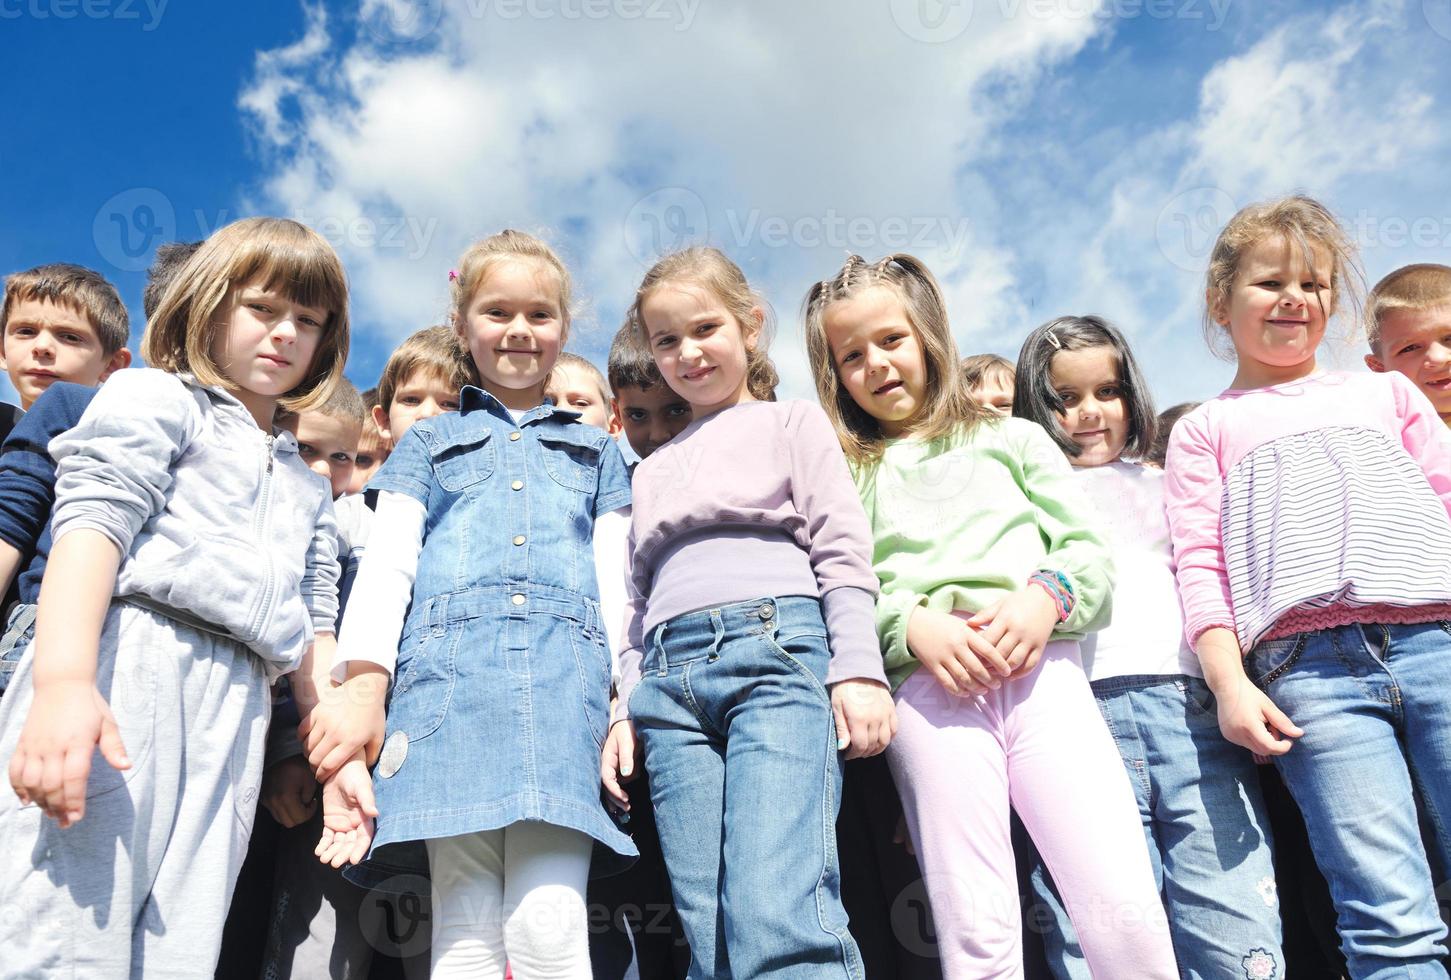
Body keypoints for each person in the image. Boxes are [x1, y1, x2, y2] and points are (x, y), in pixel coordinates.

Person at [802, 252, 1178, 977]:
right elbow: (838, 588)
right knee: (975, 924)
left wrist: (1043, 601)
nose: (876, 365)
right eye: (851, 355)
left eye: (891, 340)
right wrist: (910, 625)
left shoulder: (1013, 439)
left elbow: (1086, 556)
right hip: (928, 695)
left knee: (1119, 899)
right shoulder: (846, 471)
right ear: (832, 372)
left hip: (1044, 682)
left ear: (929, 336)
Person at [0, 216, 349, 977]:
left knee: (178, 953)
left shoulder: (305, 482)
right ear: (207, 302)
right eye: (262, 308)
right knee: (62, 936)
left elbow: (314, 629)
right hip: (127, 668)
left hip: (240, 709)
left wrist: (336, 758)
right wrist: (63, 683)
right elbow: (92, 525)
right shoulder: (152, 396)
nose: (285, 332)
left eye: (308, 320)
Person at [313, 230, 635, 979]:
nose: (519, 330)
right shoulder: (427, 445)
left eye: (539, 314)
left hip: (565, 697)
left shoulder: (597, 453)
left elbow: (618, 583)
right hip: (445, 696)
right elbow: (389, 568)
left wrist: (626, 701)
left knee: (548, 925)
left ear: (562, 327)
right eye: (497, 311)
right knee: (462, 930)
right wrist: (364, 689)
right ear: (462, 326)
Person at [1164, 195, 1451, 977]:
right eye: (1269, 283)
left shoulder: (1389, 395)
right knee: (1387, 915)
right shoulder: (1203, 429)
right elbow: (1200, 565)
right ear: (1219, 303)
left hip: (1438, 643)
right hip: (1308, 678)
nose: (1295, 298)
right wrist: (1228, 685)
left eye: (1315, 284)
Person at [602, 246, 897, 979]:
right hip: (667, 686)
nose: (687, 353)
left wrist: (857, 668)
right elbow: (634, 601)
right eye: (666, 340)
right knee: (707, 923)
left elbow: (840, 547)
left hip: (774, 651)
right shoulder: (652, 470)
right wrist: (627, 698)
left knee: (776, 904)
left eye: (704, 329)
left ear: (749, 325)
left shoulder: (792, 423)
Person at [1014, 314, 1281, 978]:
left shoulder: (1166, 481)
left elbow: (1211, 577)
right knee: (1097, 932)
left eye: (1105, 392)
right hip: (1074, 718)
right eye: (1064, 398)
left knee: (1231, 916)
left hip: (1191, 712)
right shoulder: (1017, 495)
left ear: (1131, 393)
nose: (1087, 413)